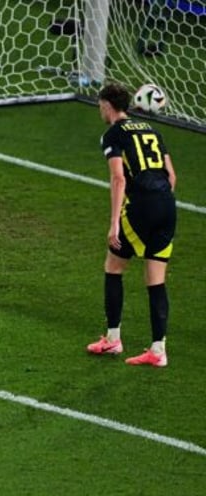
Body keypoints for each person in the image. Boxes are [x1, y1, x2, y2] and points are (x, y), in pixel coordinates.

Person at [86, 82, 177, 367]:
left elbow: (118, 179)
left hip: (141, 207)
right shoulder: (152, 131)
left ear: (106, 105)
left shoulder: (113, 134)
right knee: (156, 279)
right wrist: (159, 199)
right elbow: (171, 176)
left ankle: (113, 339)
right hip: (167, 206)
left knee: (114, 266)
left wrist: (114, 222)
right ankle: (158, 350)